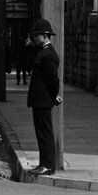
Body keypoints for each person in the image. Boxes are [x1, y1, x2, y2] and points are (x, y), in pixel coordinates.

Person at [26, 18, 62, 175]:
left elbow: (53, 80)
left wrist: (54, 95)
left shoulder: (48, 55)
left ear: (45, 35)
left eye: (37, 35)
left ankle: (47, 165)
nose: (35, 37)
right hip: (41, 99)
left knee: (45, 133)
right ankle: (44, 163)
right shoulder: (44, 52)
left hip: (43, 99)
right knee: (41, 133)